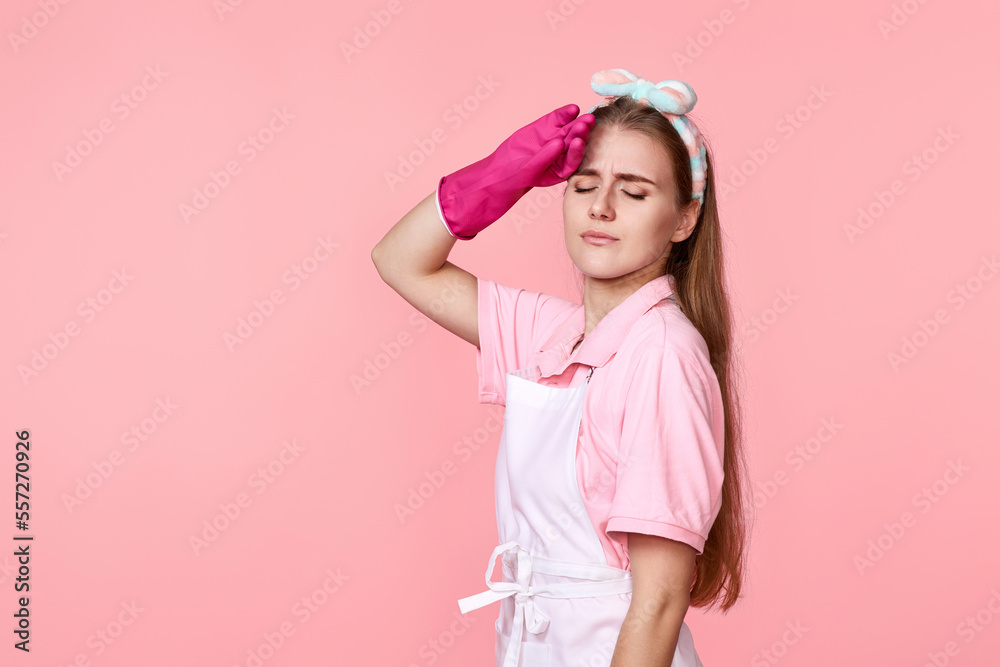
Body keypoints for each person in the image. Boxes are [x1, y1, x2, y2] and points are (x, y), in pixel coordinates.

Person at [372, 67, 750, 667]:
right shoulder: (553, 334)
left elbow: (658, 601)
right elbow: (400, 261)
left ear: (684, 219)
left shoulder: (661, 355)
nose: (600, 208)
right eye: (583, 185)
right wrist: (497, 177)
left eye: (633, 192)